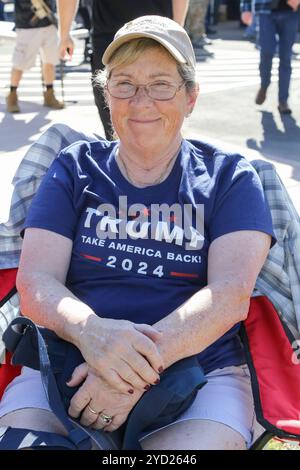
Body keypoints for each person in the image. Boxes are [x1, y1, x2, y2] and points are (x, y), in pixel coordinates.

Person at [0, 15, 275, 450]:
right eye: (124, 83)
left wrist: (127, 375)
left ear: (191, 97)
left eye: (161, 84)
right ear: (106, 95)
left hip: (199, 373)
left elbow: (228, 297)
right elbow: (35, 283)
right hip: (71, 363)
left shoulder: (230, 177)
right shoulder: (74, 166)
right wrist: (96, 336)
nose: (141, 100)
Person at [56, 0, 190, 140]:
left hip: (151, 36)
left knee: (153, 114)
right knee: (121, 118)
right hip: (123, 37)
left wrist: (65, 34)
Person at [241, 0, 300, 114]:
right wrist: (246, 8)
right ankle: (264, 84)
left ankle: (283, 100)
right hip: (265, 9)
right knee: (266, 52)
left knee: (286, 57)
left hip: (291, 11)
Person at [6, 0, 64, 113]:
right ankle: (12, 95)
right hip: (27, 23)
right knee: (19, 63)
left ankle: (49, 94)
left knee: (50, 61)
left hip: (48, 21)